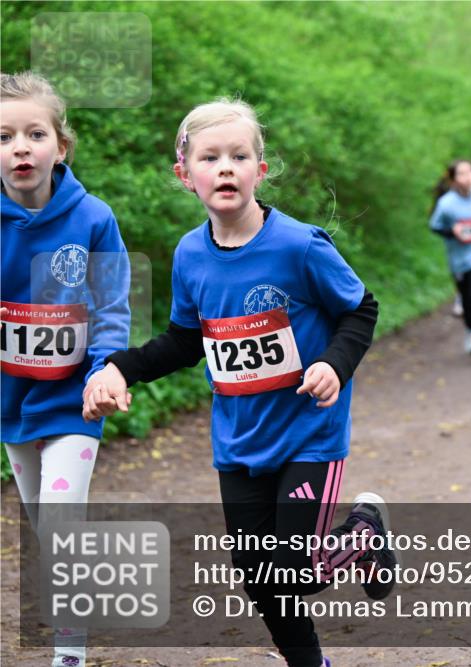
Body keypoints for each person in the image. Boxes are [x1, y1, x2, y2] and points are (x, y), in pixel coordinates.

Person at [82, 98, 393, 667]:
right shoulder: (190, 255)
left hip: (308, 436)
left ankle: (363, 533)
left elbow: (360, 309)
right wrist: (120, 367)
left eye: (239, 155)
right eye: (210, 157)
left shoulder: (300, 245)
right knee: (258, 576)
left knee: (295, 571)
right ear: (185, 175)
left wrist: (333, 363)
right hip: (240, 443)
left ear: (260, 170)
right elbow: (184, 340)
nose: (225, 167)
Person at [1, 70, 132, 667]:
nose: (20, 147)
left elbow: (111, 306)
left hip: (74, 400)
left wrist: (105, 370)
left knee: (60, 519)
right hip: (12, 400)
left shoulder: (94, 218)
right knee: (44, 527)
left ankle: (69, 653)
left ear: (61, 145)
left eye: (34, 133)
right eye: (4, 137)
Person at [429, 159, 471, 357]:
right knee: (466, 298)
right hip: (458, 260)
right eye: (462, 173)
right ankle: (470, 329)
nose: (468, 177)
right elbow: (434, 225)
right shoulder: (446, 203)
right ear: (453, 180)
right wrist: (452, 231)